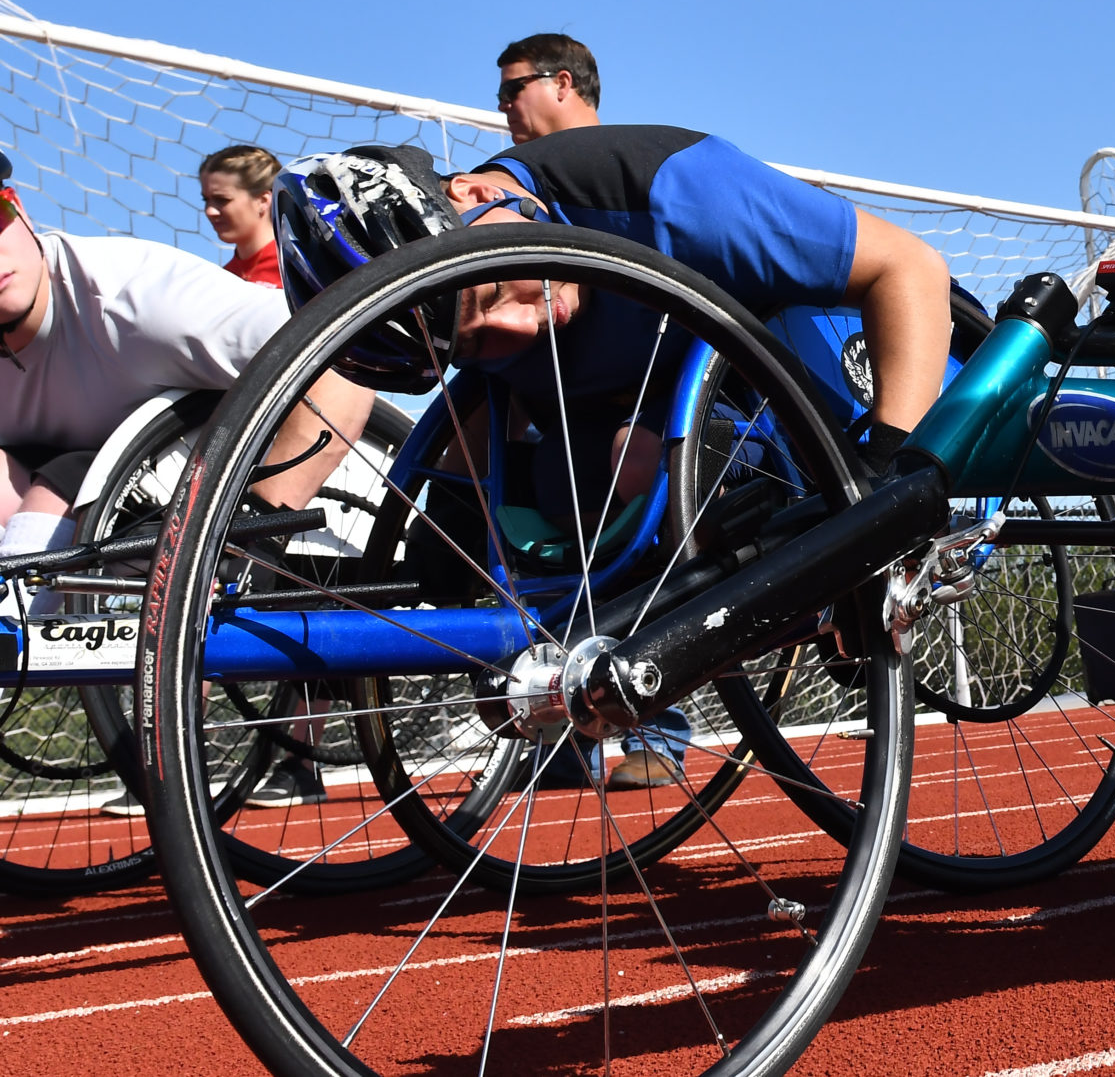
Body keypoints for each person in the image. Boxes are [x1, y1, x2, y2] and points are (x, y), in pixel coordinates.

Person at [276, 131, 953, 792]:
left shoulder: (676, 193)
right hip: (650, 433)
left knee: (634, 461)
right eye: (472, 343)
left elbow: (910, 269)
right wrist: (429, 550)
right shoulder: (496, 304)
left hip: (840, 394)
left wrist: (884, 502)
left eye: (485, 298)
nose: (514, 330)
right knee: (548, 487)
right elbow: (485, 409)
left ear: (477, 193)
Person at [0, 149, 374, 808]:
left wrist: (258, 525)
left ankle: (25, 602)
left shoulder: (138, 295)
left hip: (289, 474)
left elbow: (346, 358)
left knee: (77, 473)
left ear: (20, 210)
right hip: (98, 499)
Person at [200, 145, 283, 287]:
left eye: (222, 200)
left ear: (262, 201)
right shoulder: (219, 281)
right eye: (206, 200)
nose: (210, 211)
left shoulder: (297, 268)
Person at [497, 33, 603, 145]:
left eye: (510, 90)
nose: (502, 106)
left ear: (561, 84)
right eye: (500, 97)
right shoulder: (621, 153)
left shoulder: (620, 152)